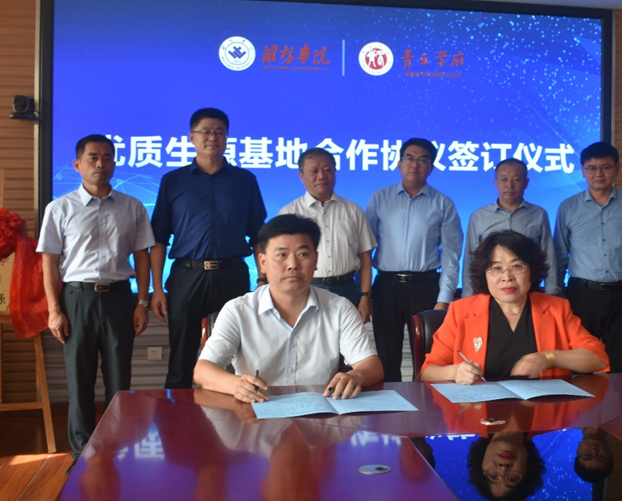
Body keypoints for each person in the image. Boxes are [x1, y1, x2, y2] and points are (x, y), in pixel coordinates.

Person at [37, 134, 154, 465]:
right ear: (77, 164)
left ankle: (117, 448)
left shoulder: (132, 206)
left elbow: (142, 257)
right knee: (80, 380)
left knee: (119, 381)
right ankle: (81, 454)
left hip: (119, 299)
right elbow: (49, 262)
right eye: (93, 158)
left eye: (107, 157)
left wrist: (141, 303)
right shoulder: (59, 208)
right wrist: (54, 310)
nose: (101, 163)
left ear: (114, 163)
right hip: (77, 299)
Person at [193, 214, 384, 403]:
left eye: (303, 254)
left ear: (316, 260)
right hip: (256, 413)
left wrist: (356, 376)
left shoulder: (340, 308)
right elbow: (203, 370)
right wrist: (236, 385)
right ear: (263, 262)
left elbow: (371, 365)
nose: (293, 265)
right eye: (281, 255)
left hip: (321, 414)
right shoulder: (238, 310)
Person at [150, 107, 267, 389]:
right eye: (205, 131)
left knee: (237, 355)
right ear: (192, 137)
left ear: (227, 137)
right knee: (181, 358)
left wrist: (263, 278)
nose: (212, 137)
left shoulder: (245, 180)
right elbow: (159, 238)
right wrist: (157, 288)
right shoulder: (173, 181)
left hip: (232, 274)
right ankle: (177, 415)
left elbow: (259, 235)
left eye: (219, 132)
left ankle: (234, 413)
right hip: (186, 275)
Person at [420, 230, 608, 384]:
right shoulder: (461, 311)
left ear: (531, 270)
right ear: (484, 274)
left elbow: (598, 358)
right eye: (496, 268)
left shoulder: (557, 308)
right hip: (482, 411)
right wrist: (455, 372)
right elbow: (428, 372)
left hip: (544, 412)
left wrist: (549, 357)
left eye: (517, 266)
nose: (507, 277)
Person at [554, 141, 622, 373]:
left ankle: (618, 398)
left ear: (617, 168)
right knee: (581, 358)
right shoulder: (568, 207)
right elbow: (560, 255)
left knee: (621, 359)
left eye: (606, 167)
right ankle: (583, 399)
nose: (598, 174)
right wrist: (557, 294)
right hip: (583, 294)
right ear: (583, 171)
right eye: (592, 168)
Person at [366, 138, 463, 382]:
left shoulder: (443, 203)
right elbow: (365, 250)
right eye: (409, 158)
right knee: (387, 358)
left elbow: (451, 255)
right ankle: (390, 405)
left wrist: (444, 299)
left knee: (428, 357)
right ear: (399, 164)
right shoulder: (379, 198)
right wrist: (364, 294)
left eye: (422, 160)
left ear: (431, 167)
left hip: (426, 286)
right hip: (386, 287)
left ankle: (427, 404)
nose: (415, 164)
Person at [278, 147, 376, 323]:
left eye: (327, 169)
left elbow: (365, 258)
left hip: (347, 289)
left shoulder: (353, 211)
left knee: (346, 340)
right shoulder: (289, 213)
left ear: (335, 173)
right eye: (314, 171)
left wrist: (365, 296)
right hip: (305, 289)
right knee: (307, 339)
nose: (321, 176)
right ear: (301, 176)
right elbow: (281, 260)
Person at [462, 158, 558, 297]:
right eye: (504, 179)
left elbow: (549, 257)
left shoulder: (538, 214)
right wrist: (468, 297)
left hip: (529, 291)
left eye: (516, 180)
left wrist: (552, 293)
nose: (510, 185)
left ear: (526, 183)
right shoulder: (479, 216)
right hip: (491, 291)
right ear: (496, 183)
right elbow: (470, 262)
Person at [467, 432, 546, 501]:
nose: (503, 469)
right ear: (528, 470)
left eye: (493, 476)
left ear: (480, 463)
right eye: (511, 479)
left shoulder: (464, 421)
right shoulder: (551, 422)